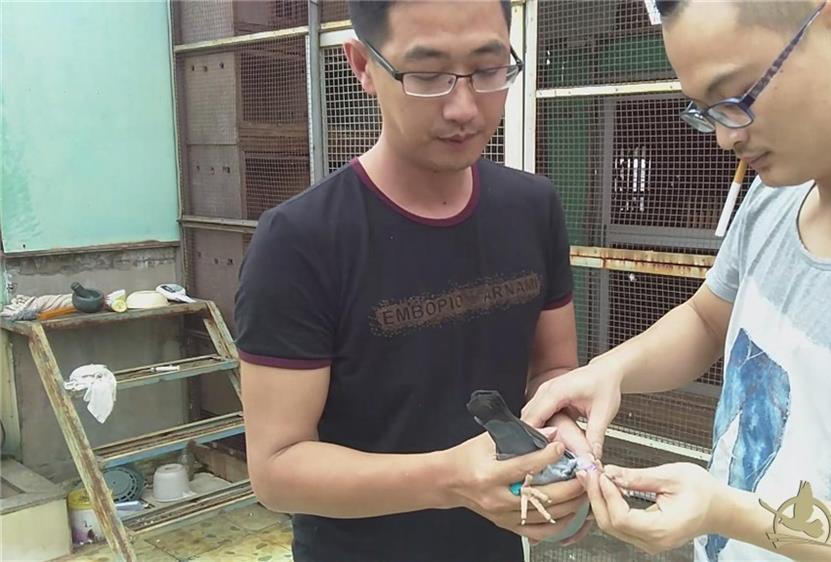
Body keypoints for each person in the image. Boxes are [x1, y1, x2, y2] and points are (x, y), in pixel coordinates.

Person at [523, 1, 831, 560]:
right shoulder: (782, 192)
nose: (725, 139)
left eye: (736, 99)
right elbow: (707, 319)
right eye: (707, 112)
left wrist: (730, 514)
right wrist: (611, 371)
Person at [234, 1, 591, 560]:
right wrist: (450, 480)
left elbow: (551, 371)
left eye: (489, 70)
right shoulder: (300, 241)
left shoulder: (533, 207)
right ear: (362, 65)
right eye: (426, 75)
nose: (464, 107)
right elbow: (277, 469)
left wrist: (566, 437)